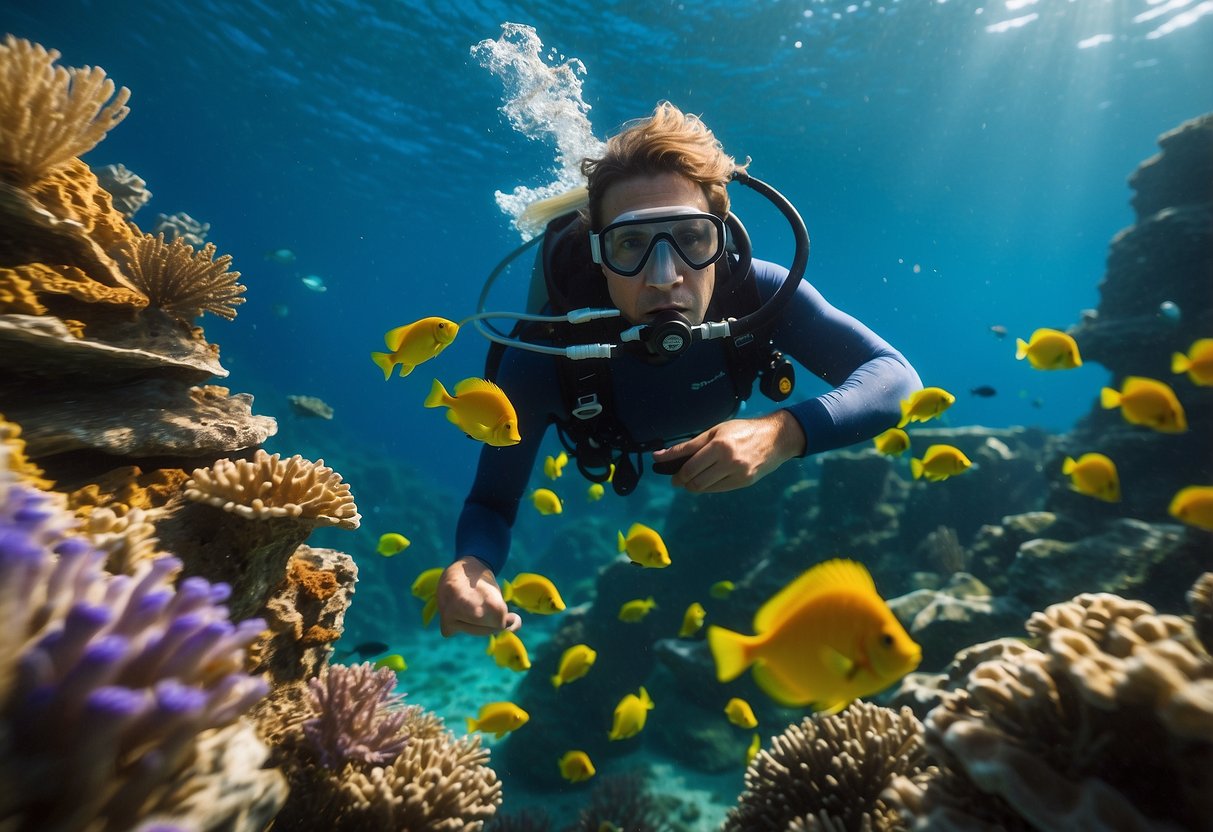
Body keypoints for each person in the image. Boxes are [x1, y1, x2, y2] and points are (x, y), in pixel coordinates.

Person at [437, 102, 921, 637]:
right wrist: (471, 567)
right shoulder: (548, 352)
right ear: (598, 254)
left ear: (720, 240)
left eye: (691, 239)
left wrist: (785, 433)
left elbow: (896, 377)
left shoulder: (758, 292)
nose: (665, 278)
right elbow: (491, 501)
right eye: (631, 245)